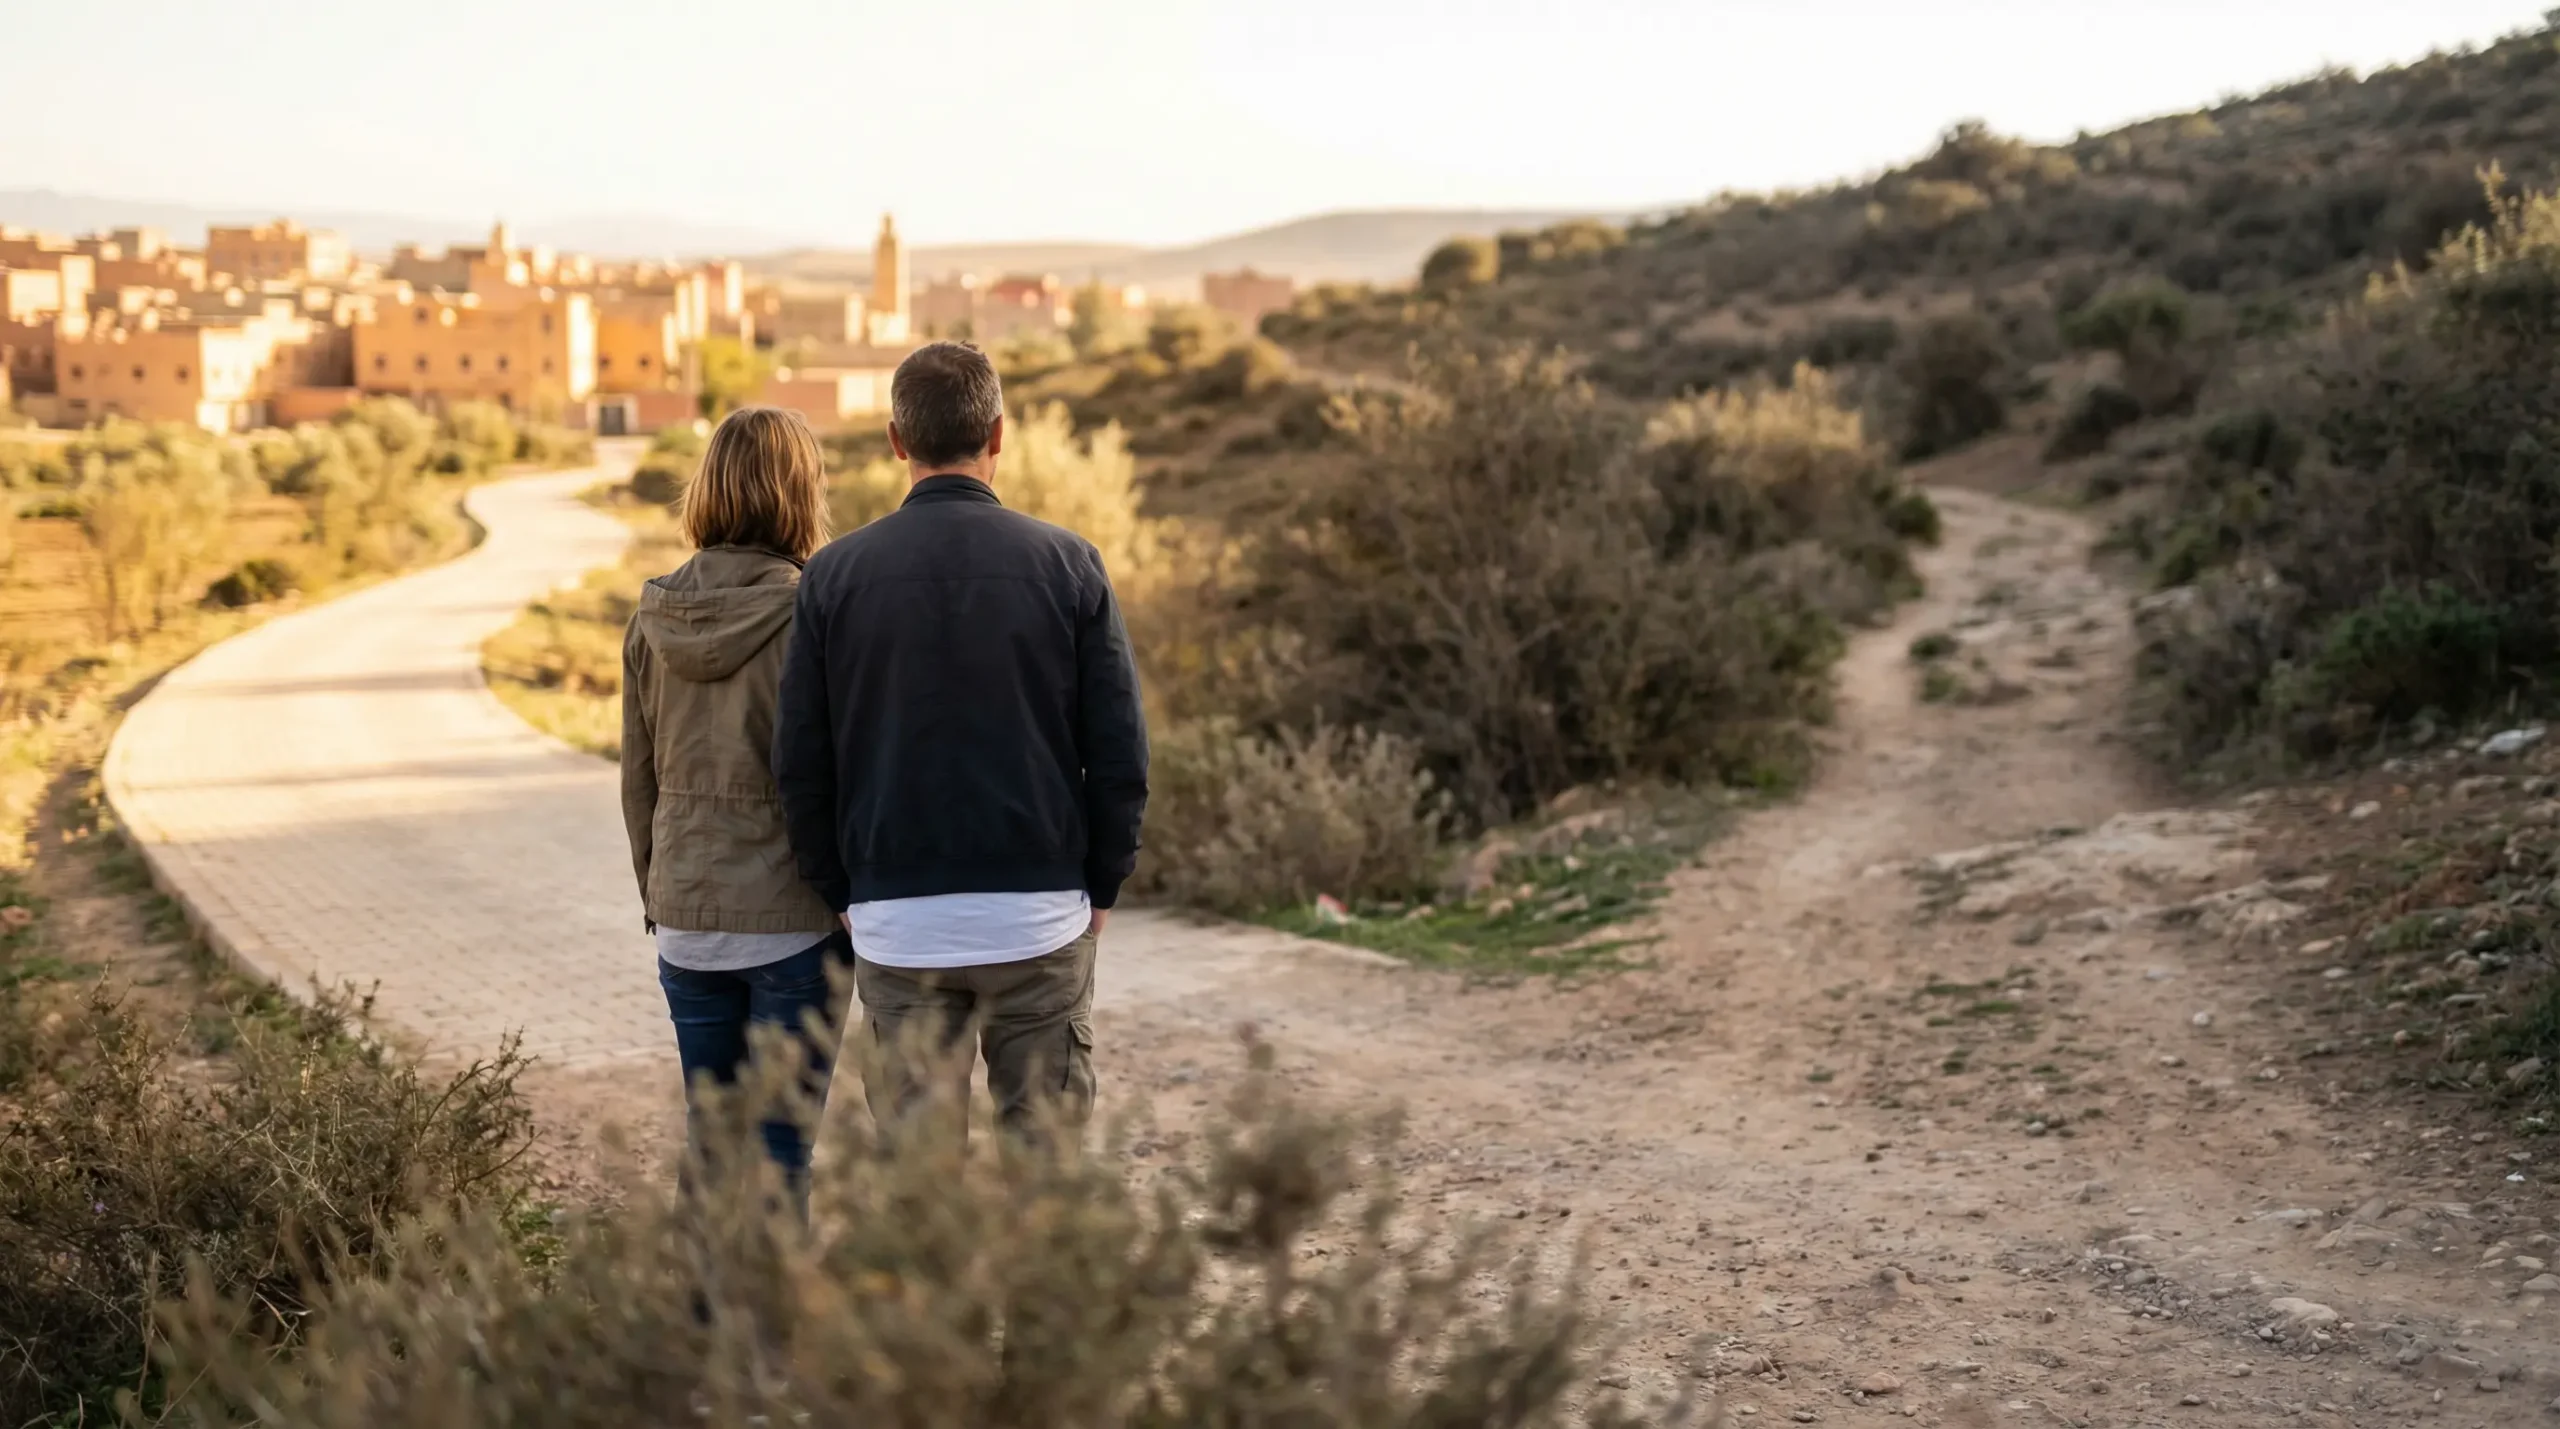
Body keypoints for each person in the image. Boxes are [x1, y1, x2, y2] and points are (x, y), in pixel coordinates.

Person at [773, 340, 1147, 1142]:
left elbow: (801, 762)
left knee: (920, 1192)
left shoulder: (833, 578)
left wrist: (841, 890)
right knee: (1044, 1178)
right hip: (1042, 916)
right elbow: (1119, 752)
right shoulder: (1071, 565)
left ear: (896, 440)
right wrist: (1103, 884)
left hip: (896, 921)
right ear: (1000, 434)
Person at [621, 405, 849, 1190]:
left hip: (685, 919)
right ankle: (769, 1315)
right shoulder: (813, 612)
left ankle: (703, 1311)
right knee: (781, 1152)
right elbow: (833, 773)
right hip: (792, 922)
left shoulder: (649, 615)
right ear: (800, 492)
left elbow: (638, 777)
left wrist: (662, 885)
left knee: (713, 1145)